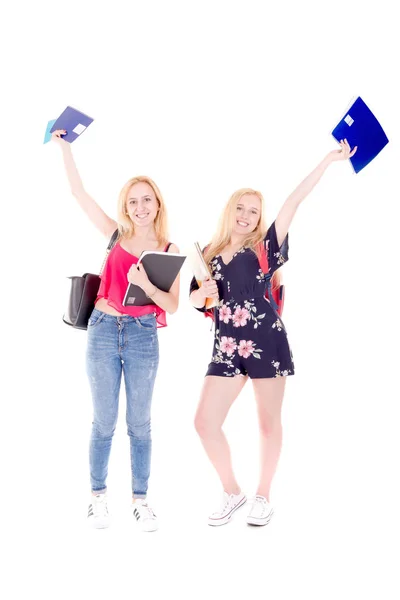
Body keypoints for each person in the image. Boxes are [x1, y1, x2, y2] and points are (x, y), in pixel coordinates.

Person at [190, 139, 357, 527]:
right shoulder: (209, 253)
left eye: (254, 211)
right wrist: (203, 295)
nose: (246, 216)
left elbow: (293, 203)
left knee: (268, 423)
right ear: (229, 210)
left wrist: (327, 161)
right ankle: (233, 493)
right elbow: (198, 302)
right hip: (226, 347)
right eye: (241, 208)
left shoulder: (265, 248)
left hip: (266, 340)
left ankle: (263, 497)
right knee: (204, 422)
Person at [52, 129, 180, 531]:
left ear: (157, 203)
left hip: (143, 335)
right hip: (104, 329)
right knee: (103, 420)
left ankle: (141, 500)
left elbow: (172, 305)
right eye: (133, 201)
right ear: (126, 207)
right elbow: (79, 195)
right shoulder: (116, 235)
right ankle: (97, 498)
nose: (140, 207)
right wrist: (65, 147)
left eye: (146, 199)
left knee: (139, 423)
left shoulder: (170, 250)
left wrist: (146, 286)